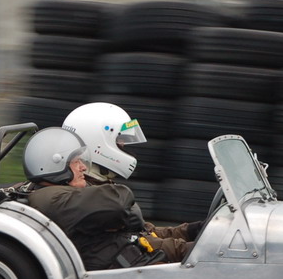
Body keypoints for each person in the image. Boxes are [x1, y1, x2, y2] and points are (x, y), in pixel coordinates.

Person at [22, 126, 200, 269]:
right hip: (128, 277)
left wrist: (191, 230)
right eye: (76, 162)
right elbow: (120, 205)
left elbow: (142, 233)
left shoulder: (69, 195)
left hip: (135, 267)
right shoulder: (56, 199)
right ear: (54, 163)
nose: (83, 167)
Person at [61, 101, 203, 260]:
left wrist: (194, 229)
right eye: (119, 140)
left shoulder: (99, 186)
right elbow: (135, 241)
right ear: (97, 143)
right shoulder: (88, 196)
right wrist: (191, 249)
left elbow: (146, 232)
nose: (123, 145)